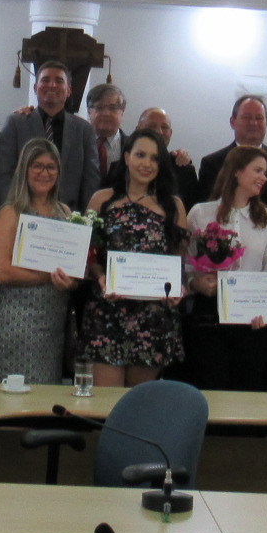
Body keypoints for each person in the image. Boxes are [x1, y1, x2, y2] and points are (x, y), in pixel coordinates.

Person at [82, 128, 189, 387]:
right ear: (127, 157)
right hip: (107, 314)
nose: (147, 164)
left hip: (152, 319)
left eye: (154, 158)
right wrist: (101, 278)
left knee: (137, 408)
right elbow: (88, 257)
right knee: (105, 407)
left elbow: (178, 261)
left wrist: (178, 288)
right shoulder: (101, 200)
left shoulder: (173, 206)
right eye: (141, 155)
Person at [183, 146, 267, 390]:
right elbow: (184, 265)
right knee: (211, 388)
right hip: (209, 316)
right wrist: (196, 283)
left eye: (266, 172)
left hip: (252, 321)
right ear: (237, 172)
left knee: (246, 390)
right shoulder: (201, 213)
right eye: (258, 170)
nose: (264, 177)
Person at [0, 138, 80, 384]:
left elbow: (74, 271)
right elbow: (1, 272)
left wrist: (69, 282)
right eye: (37, 166)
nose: (44, 173)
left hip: (55, 324)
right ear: (24, 170)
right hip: (18, 323)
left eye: (51, 167)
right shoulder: (11, 212)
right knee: (18, 402)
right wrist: (48, 276)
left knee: (47, 399)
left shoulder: (65, 212)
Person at [0, 61, 100, 209]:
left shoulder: (84, 130)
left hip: (68, 215)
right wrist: (10, 211)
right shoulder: (16, 124)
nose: (52, 85)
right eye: (45, 80)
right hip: (23, 212)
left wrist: (84, 221)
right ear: (35, 88)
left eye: (59, 81)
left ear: (68, 90)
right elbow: (4, 174)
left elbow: (91, 180)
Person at [199, 94, 267, 226]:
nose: (253, 123)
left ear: (266, 122)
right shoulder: (212, 164)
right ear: (233, 122)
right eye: (246, 117)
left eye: (259, 118)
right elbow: (207, 214)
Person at [134, 107, 199, 204]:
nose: (159, 132)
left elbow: (191, 214)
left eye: (164, 127)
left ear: (171, 133)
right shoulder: (121, 168)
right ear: (138, 130)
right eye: (151, 126)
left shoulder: (185, 171)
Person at [88, 83, 129, 180]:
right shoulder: (76, 143)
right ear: (89, 112)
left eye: (112, 108)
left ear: (122, 112)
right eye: (99, 107)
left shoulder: (133, 146)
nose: (106, 113)